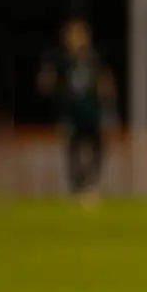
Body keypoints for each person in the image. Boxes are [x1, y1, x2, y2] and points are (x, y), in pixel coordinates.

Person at [37, 18, 117, 207]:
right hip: (70, 112)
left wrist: (108, 92)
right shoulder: (60, 59)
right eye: (71, 35)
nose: (74, 39)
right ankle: (77, 187)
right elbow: (48, 81)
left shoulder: (94, 57)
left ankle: (90, 184)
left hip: (92, 111)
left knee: (97, 147)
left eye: (78, 34)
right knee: (73, 149)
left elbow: (105, 80)